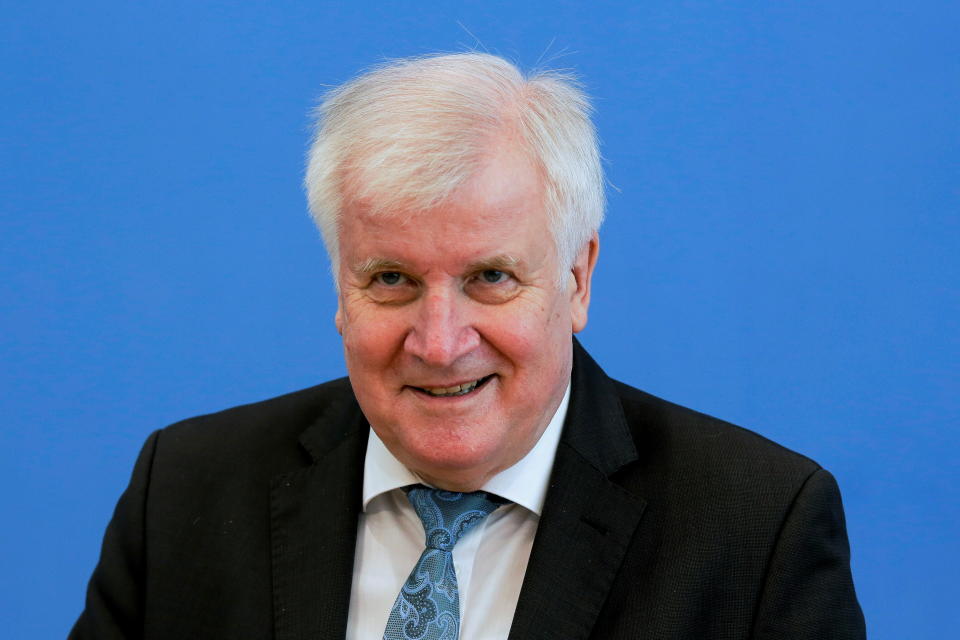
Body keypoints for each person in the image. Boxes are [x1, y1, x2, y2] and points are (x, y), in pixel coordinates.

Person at [71, 53, 865, 639]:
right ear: (338, 288)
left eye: (490, 276)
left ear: (578, 279)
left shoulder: (756, 531)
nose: (440, 344)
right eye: (390, 279)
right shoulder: (185, 491)